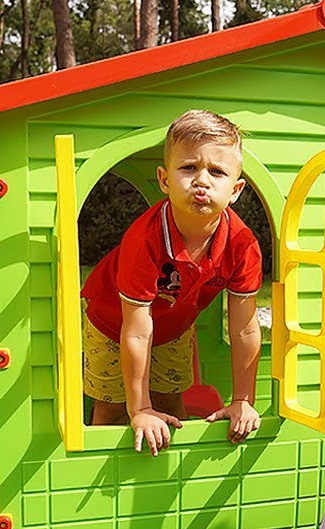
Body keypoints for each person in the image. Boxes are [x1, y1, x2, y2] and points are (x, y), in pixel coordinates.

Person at [80, 110, 263, 456]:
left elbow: (244, 329)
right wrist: (140, 410)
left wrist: (242, 399)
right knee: (112, 407)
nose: (202, 180)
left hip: (174, 326)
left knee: (171, 401)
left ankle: (169, 474)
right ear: (164, 180)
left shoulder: (242, 244)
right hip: (111, 323)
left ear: (236, 189)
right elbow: (135, 332)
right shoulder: (145, 239)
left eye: (217, 171)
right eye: (189, 167)